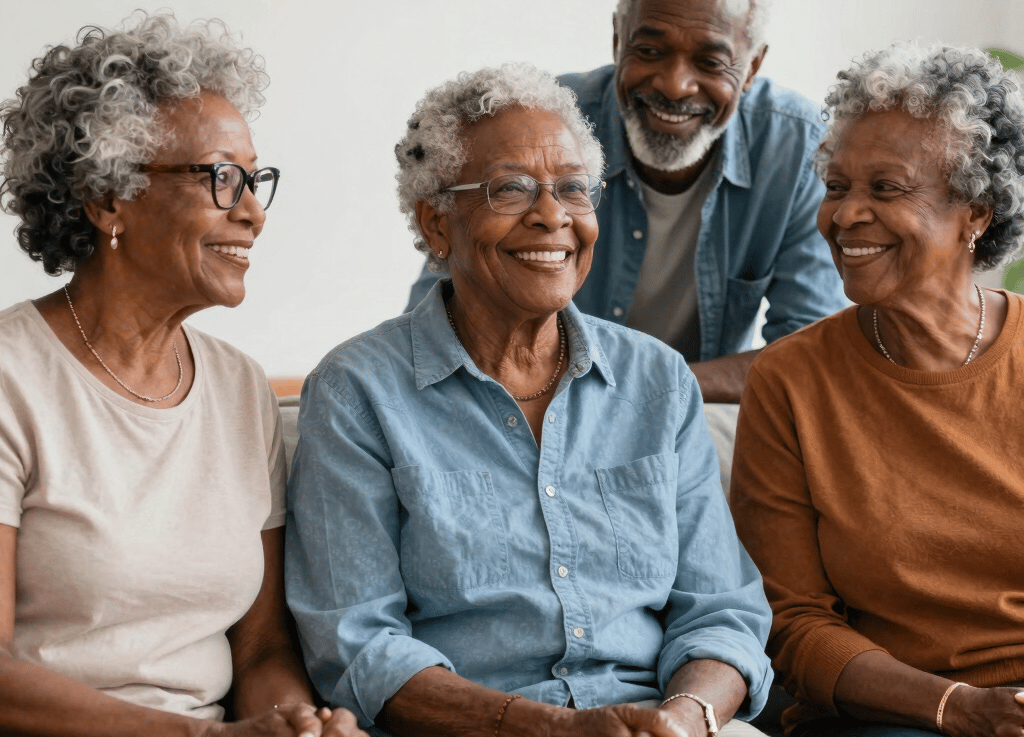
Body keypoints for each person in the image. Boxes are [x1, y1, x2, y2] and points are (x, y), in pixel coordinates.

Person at [285, 63, 772, 737]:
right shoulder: (356, 390)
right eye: (512, 190)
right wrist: (552, 728)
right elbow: (358, 644)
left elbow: (722, 612)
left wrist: (686, 718)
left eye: (574, 189)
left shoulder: (656, 381)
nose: (554, 217)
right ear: (437, 223)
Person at [0, 13, 364, 737]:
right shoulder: (13, 378)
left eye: (255, 180)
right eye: (223, 179)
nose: (254, 213)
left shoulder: (239, 388)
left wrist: (298, 722)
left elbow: (260, 645)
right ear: (109, 198)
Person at [730, 41, 1024, 737]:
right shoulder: (790, 381)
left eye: (885, 189)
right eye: (837, 187)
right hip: (886, 712)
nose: (845, 215)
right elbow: (791, 622)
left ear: (974, 212)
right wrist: (956, 706)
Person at [404, 0, 847, 404]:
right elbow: (438, 319)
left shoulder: (799, 149)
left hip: (693, 403)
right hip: (532, 398)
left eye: (710, 61)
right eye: (650, 51)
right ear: (619, 39)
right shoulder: (547, 130)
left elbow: (806, 355)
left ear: (752, 67)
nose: (675, 86)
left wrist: (641, 385)